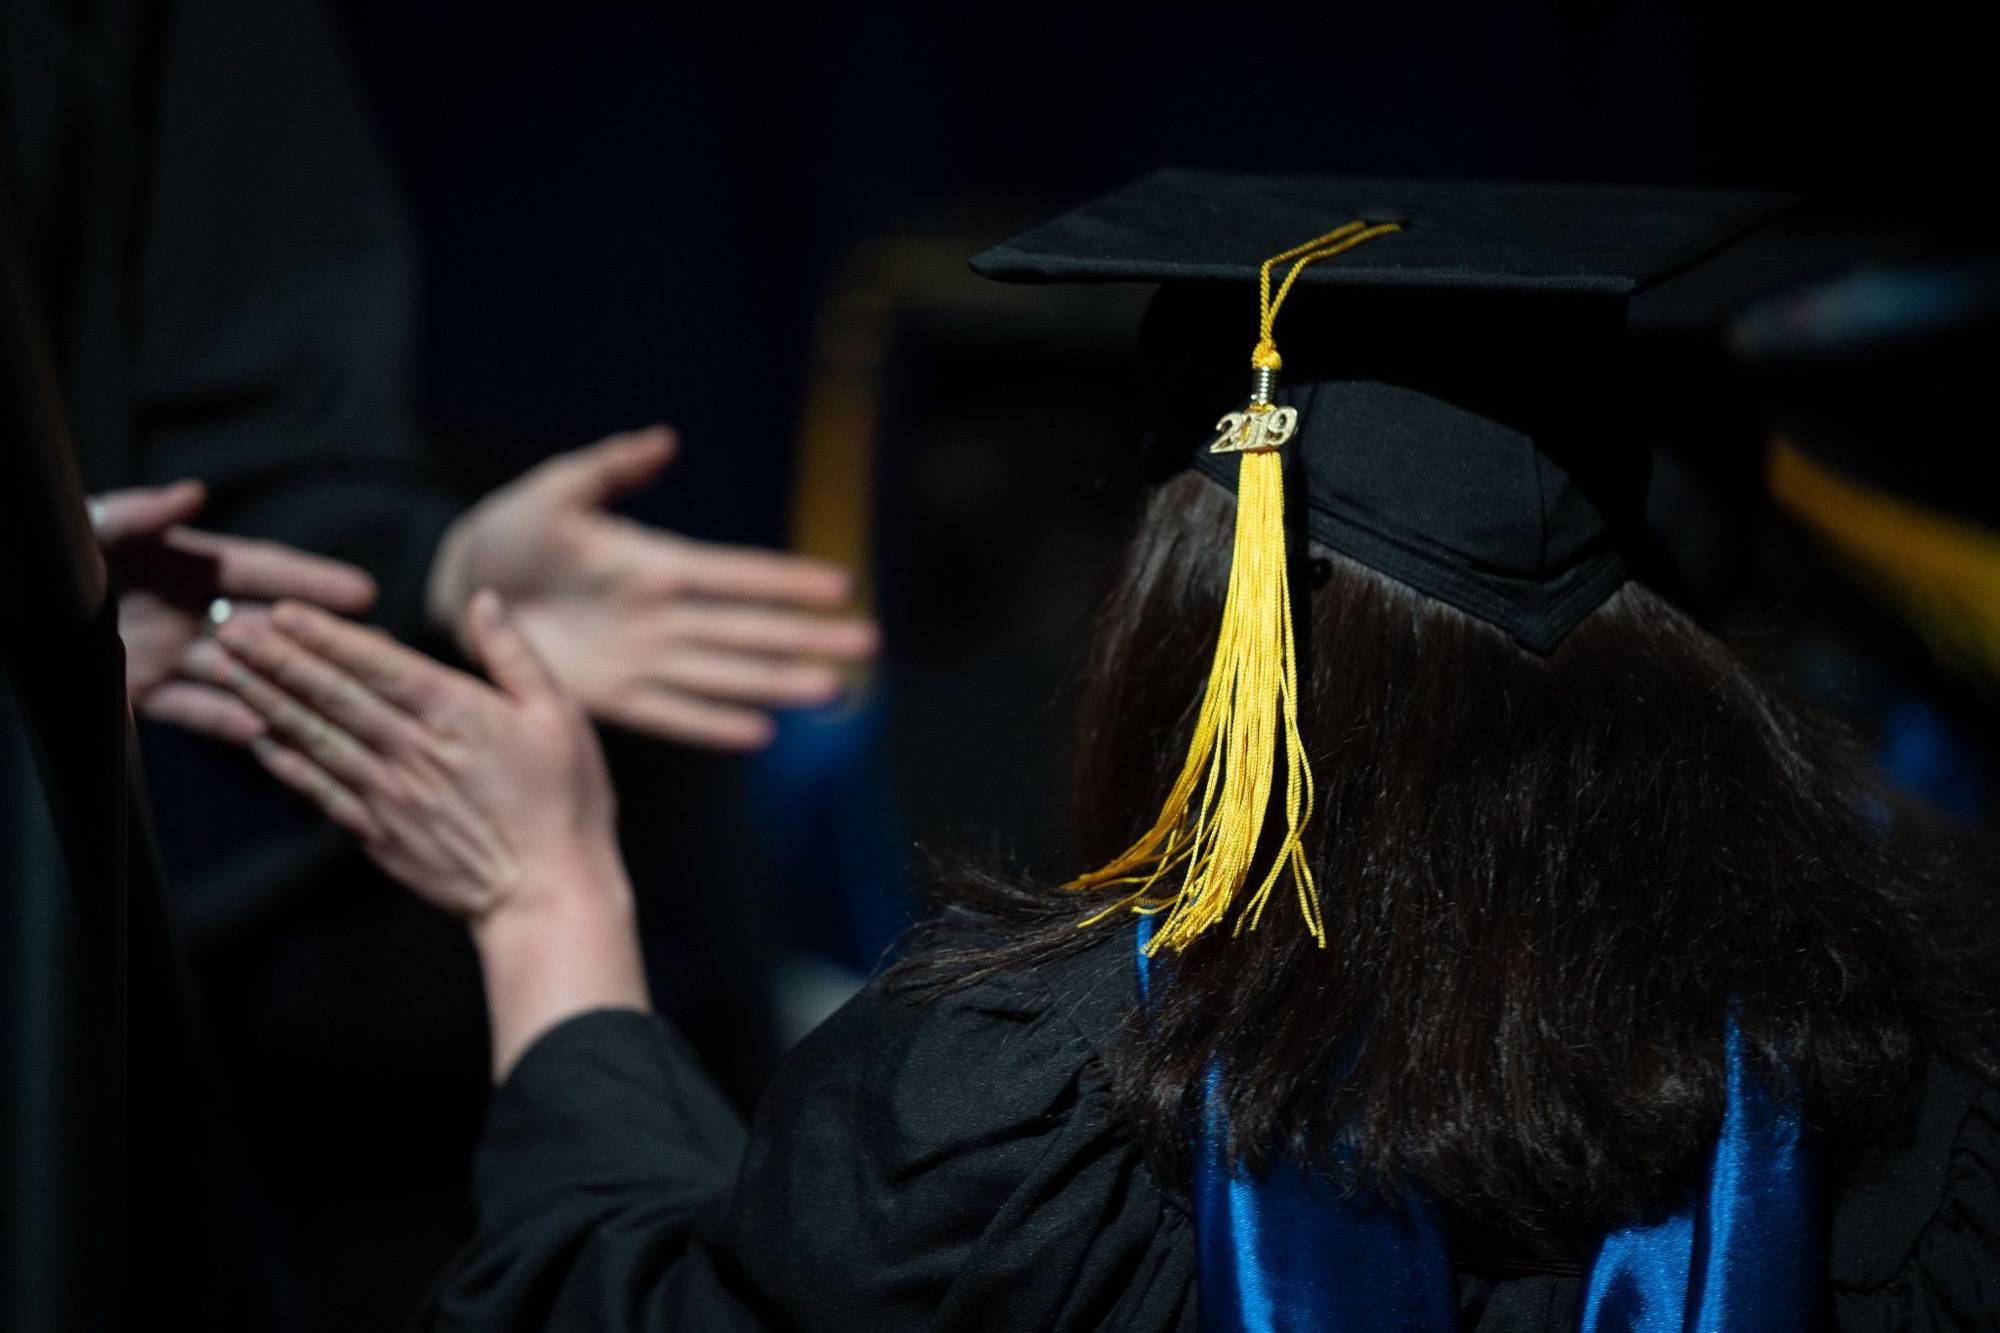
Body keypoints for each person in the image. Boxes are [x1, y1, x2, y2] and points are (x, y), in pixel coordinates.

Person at [198, 175, 1998, 1330]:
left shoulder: (1034, 1112)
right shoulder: (1903, 1107)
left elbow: (632, 1305)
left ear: (1194, 620)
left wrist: (547, 904)